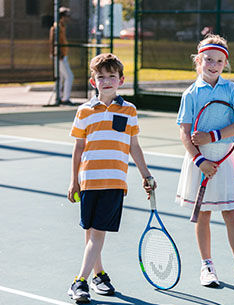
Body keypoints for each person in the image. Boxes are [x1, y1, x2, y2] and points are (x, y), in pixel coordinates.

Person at [67, 53, 155, 302]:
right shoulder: (84, 111)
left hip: (115, 181)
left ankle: (79, 281)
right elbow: (78, 148)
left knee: (97, 233)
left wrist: (146, 174)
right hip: (88, 181)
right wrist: (74, 181)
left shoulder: (129, 110)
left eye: (112, 76)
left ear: (121, 80)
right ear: (93, 81)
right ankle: (98, 276)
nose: (107, 80)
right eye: (101, 77)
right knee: (91, 231)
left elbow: (134, 146)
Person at [175, 34, 234, 292]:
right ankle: (207, 266)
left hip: (222, 160)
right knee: (203, 214)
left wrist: (213, 136)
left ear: (225, 63)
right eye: (209, 59)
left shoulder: (232, 90)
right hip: (199, 161)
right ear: (199, 60)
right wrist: (199, 160)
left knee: (231, 213)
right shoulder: (190, 94)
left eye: (219, 61)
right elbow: (185, 133)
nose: (213, 64)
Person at [49, 6, 74, 105]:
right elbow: (53, 42)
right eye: (67, 16)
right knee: (69, 76)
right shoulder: (56, 27)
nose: (68, 18)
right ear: (62, 16)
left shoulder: (62, 26)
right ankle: (65, 99)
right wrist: (58, 54)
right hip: (59, 56)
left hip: (63, 55)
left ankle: (59, 97)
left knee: (62, 77)